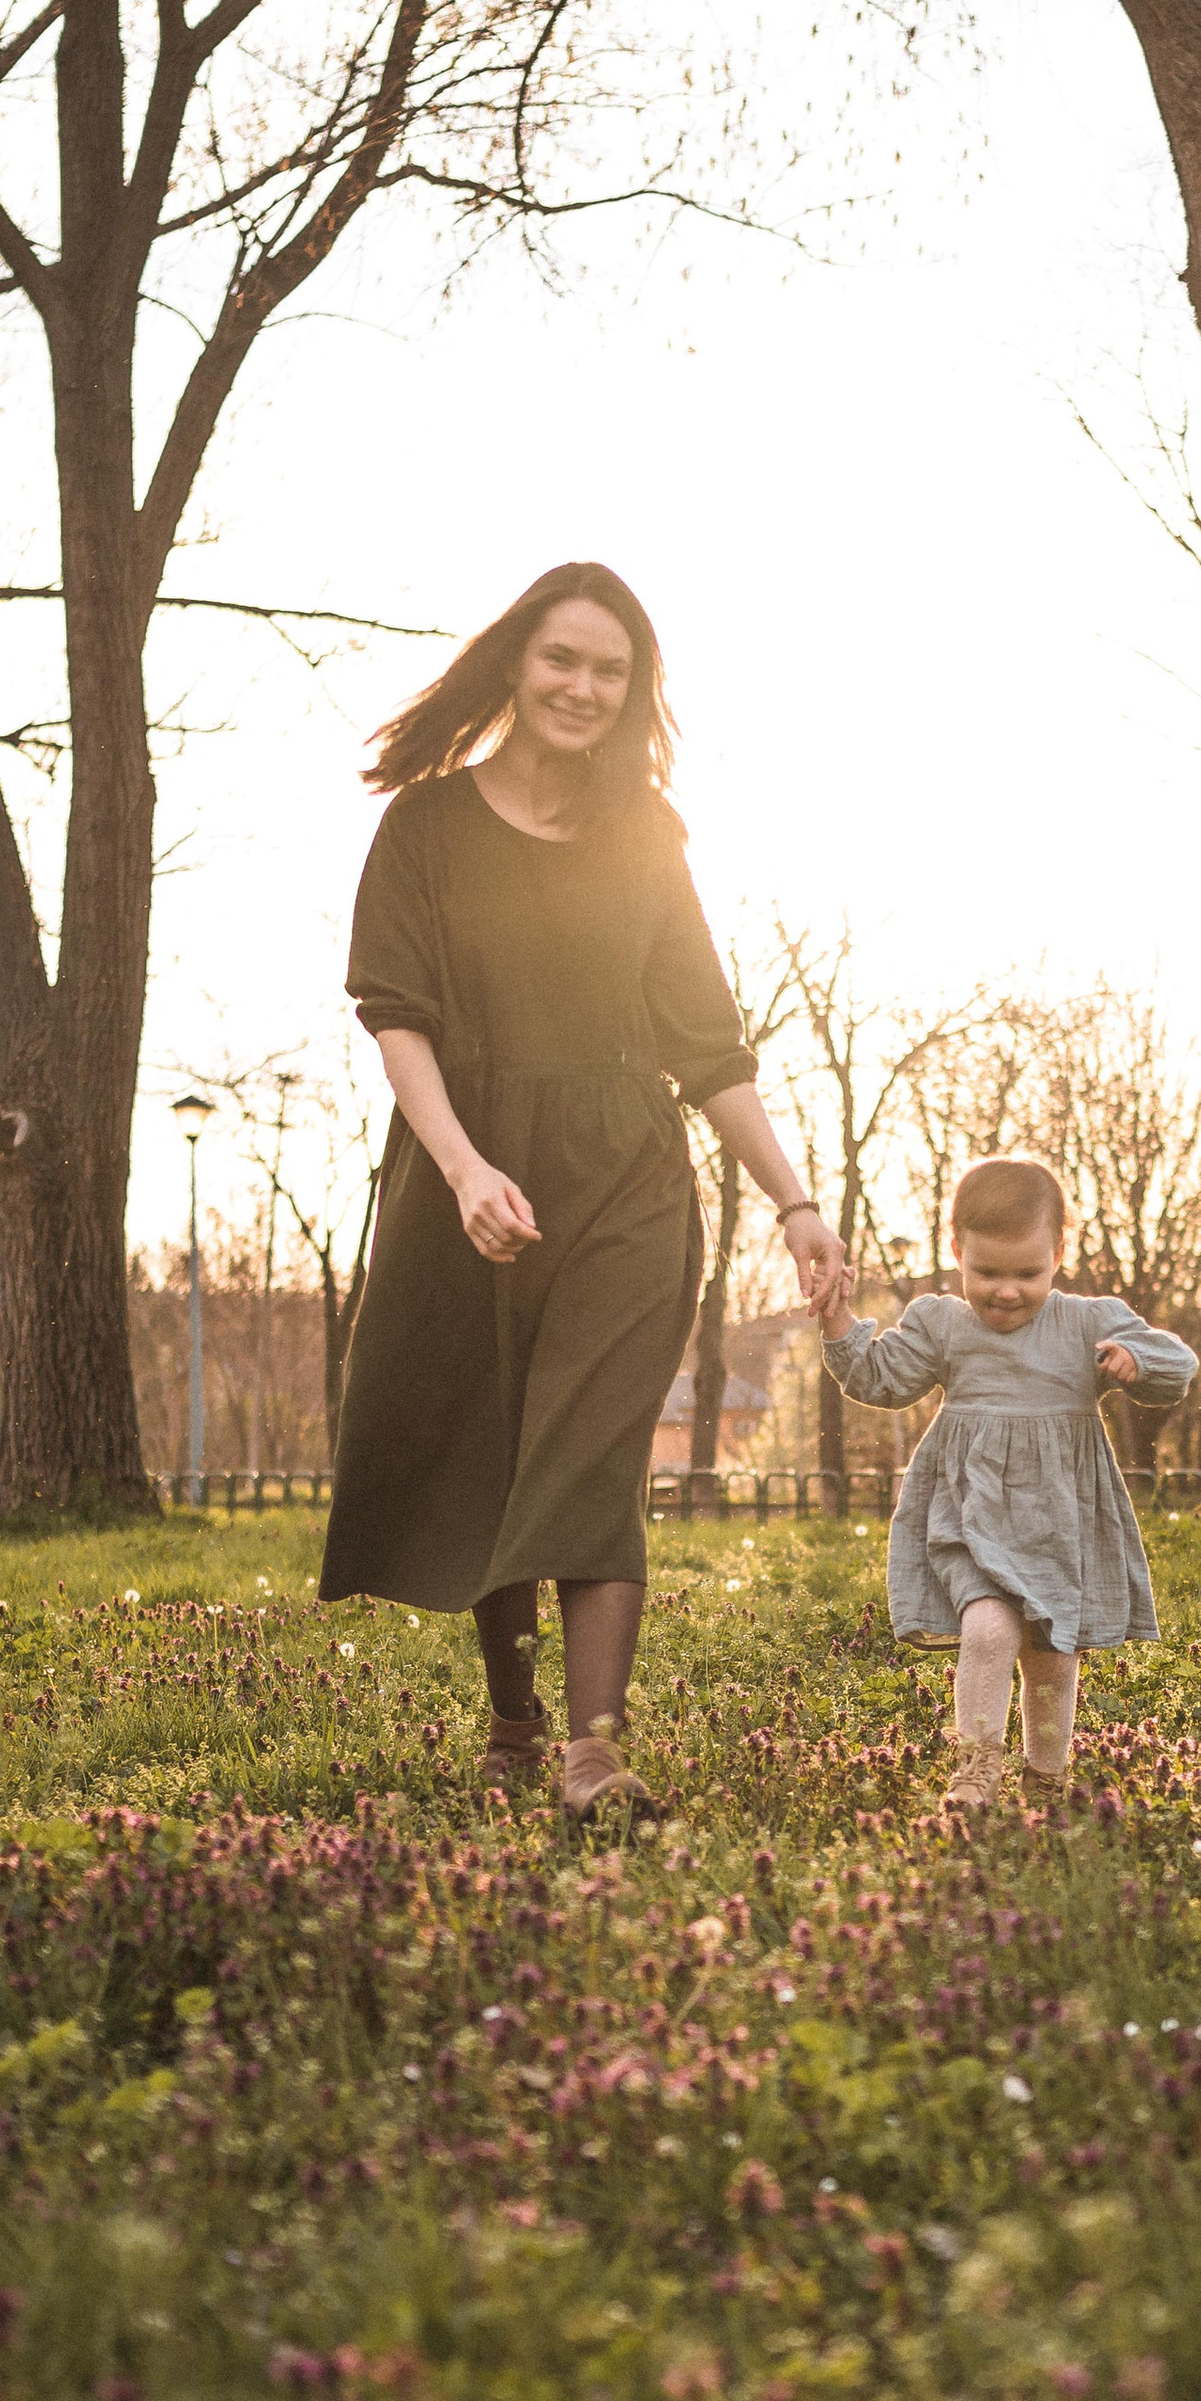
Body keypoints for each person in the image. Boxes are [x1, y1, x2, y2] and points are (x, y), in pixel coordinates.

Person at [321, 561, 843, 1823]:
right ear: (515, 662)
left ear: (634, 690)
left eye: (611, 670)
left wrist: (793, 1200)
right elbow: (397, 1020)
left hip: (624, 1174)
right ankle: (514, 1719)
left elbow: (707, 1045)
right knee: (491, 1452)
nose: (583, 687)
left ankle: (594, 1753)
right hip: (475, 1168)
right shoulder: (427, 829)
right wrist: (461, 1168)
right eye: (562, 658)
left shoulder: (644, 835)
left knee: (592, 1451)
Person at [816, 1156, 1196, 1810]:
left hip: (1058, 1525)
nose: (1007, 1290)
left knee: (1052, 1657)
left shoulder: (1085, 1322)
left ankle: (1046, 1779)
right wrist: (837, 1318)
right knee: (989, 1630)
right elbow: (879, 1378)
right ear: (957, 1248)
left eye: (1029, 1272)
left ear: (1058, 1253)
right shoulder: (942, 1322)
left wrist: (1139, 1361)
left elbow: (1178, 1365)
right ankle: (975, 1769)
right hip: (971, 1518)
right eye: (987, 1271)